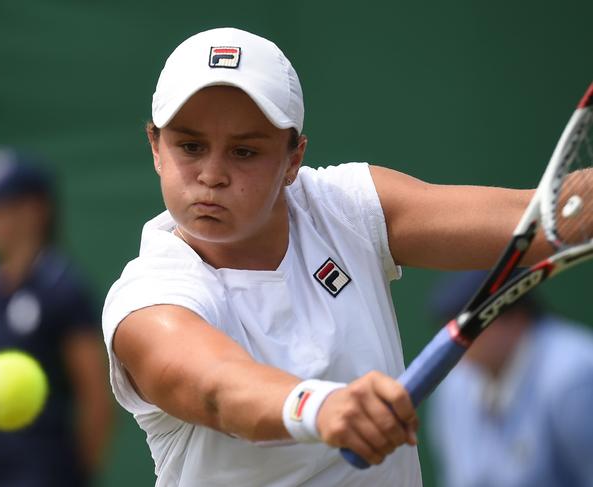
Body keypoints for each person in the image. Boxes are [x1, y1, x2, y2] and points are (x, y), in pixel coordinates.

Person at [102, 27, 555, 486]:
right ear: (156, 146)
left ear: (293, 159)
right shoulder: (148, 296)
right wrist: (320, 407)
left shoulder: (346, 206)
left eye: (244, 151)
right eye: (190, 147)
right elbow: (217, 386)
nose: (213, 175)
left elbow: (540, 217)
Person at [0, 147, 113, 487]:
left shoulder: (63, 289)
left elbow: (95, 400)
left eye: (0, 207)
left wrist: (76, 476)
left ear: (36, 210)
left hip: (47, 474)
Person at [426, 271, 593, 487]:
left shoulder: (574, 376)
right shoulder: (453, 387)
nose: (455, 337)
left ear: (516, 317)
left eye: (469, 324)